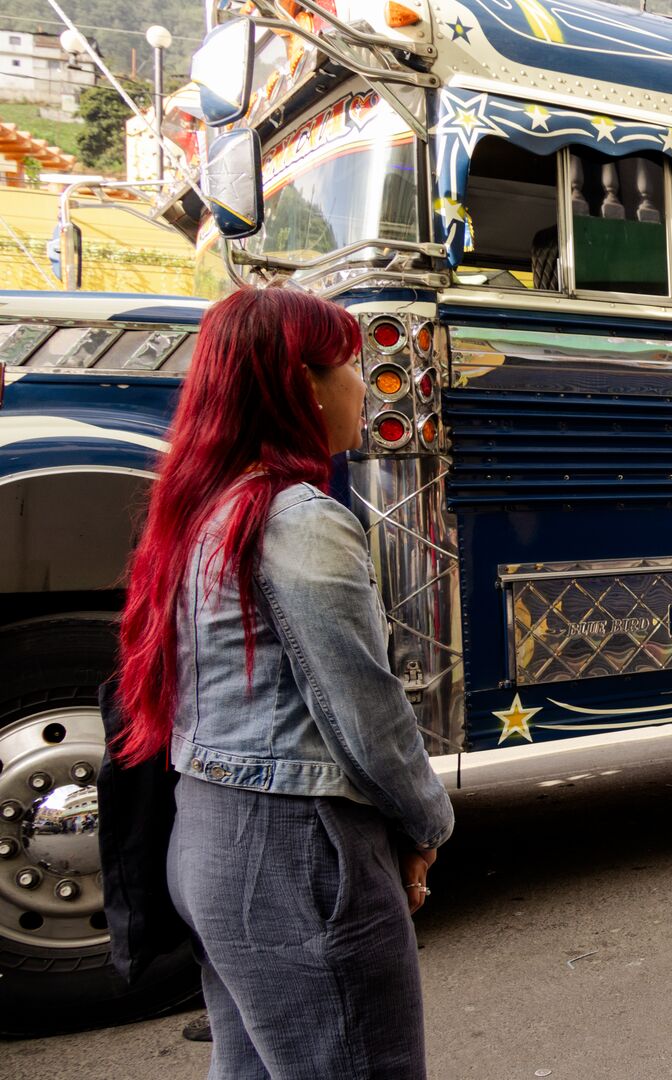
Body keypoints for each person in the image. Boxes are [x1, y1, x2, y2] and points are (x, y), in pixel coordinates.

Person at [115, 286, 455, 1080]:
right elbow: (364, 710)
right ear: (302, 385)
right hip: (298, 854)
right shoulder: (298, 517)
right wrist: (427, 824)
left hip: (204, 839)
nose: (364, 388)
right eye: (349, 368)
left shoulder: (200, 508)